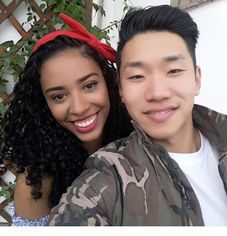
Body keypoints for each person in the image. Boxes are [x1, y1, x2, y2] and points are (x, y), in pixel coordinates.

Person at [47, 5, 227, 226]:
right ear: (120, 90)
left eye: (173, 71)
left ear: (196, 79)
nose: (157, 93)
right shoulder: (107, 179)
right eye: (137, 76)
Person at [0, 13, 133, 226]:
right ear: (44, 103)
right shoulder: (38, 178)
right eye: (59, 97)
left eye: (89, 86)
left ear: (107, 82)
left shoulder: (135, 140)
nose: (79, 107)